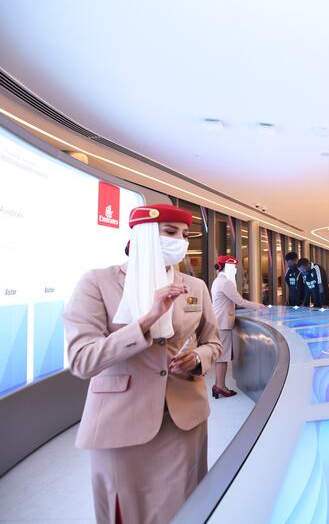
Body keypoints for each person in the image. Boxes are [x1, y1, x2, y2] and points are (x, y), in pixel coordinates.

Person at [63, 204, 222, 524]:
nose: (180, 241)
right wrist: (146, 321)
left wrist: (198, 360)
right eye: (170, 232)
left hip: (183, 419)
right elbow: (81, 359)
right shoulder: (98, 283)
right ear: (145, 236)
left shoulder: (195, 288)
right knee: (126, 511)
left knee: (184, 508)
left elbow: (213, 343)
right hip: (121, 421)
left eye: (184, 235)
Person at [210, 254, 265, 399]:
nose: (235, 270)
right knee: (223, 357)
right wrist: (258, 306)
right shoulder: (226, 282)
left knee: (220, 356)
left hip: (217, 321)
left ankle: (217, 385)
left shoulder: (217, 281)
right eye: (233, 267)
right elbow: (239, 301)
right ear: (227, 267)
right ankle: (221, 387)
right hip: (223, 324)